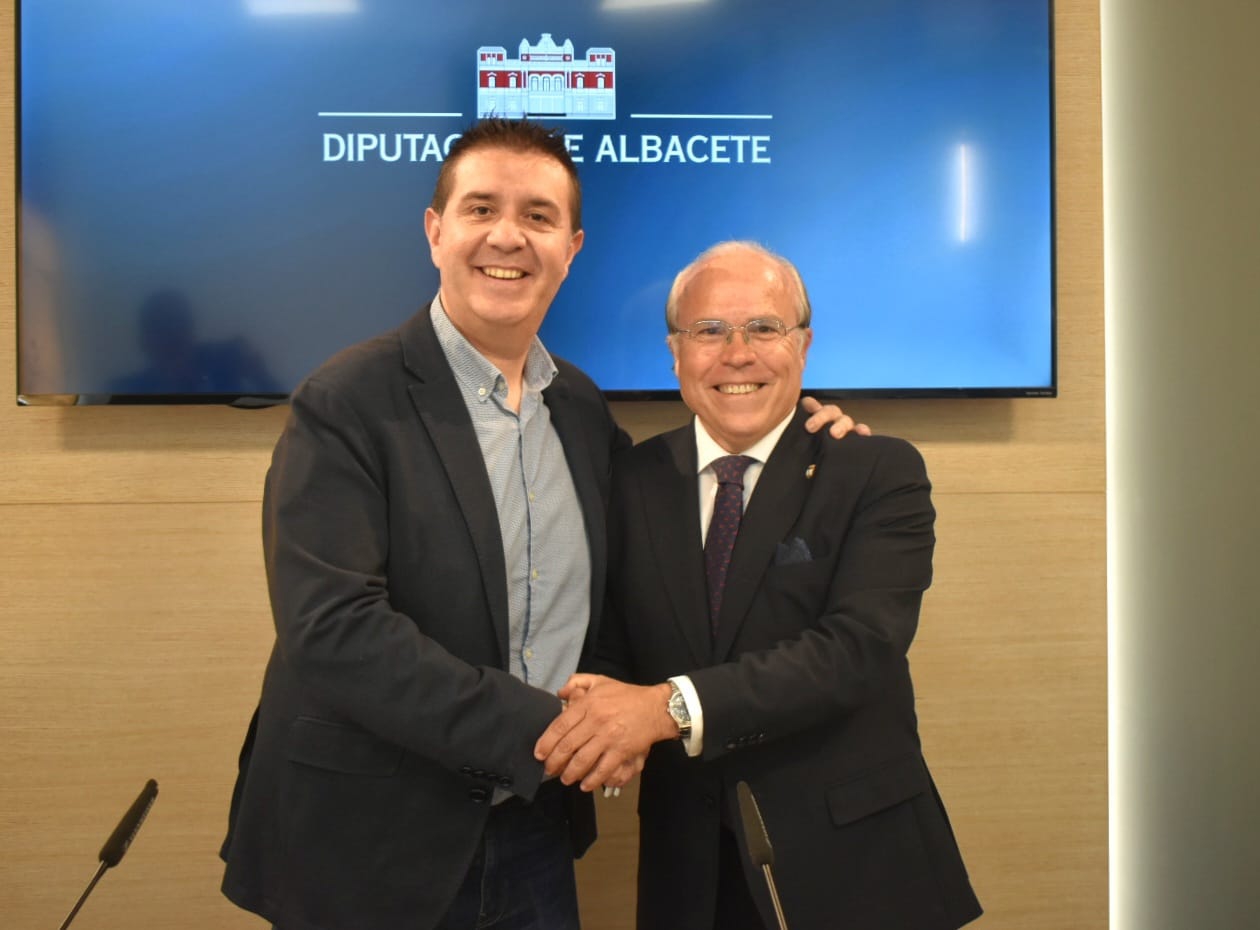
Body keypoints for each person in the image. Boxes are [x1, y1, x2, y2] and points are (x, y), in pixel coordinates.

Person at [219, 121, 859, 930]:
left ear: (571, 247)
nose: (508, 236)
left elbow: (642, 578)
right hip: (368, 838)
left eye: (538, 216)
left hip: (533, 830)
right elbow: (334, 629)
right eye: (481, 208)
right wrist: (557, 732)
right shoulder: (347, 401)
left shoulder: (582, 409)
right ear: (435, 231)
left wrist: (800, 440)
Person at [536, 241, 983, 930]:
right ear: (675, 352)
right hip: (689, 870)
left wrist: (665, 710)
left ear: (803, 345)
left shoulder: (876, 471)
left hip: (854, 866)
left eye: (764, 328)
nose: (737, 354)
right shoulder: (631, 482)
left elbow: (857, 650)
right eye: (709, 330)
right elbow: (616, 643)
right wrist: (598, 713)